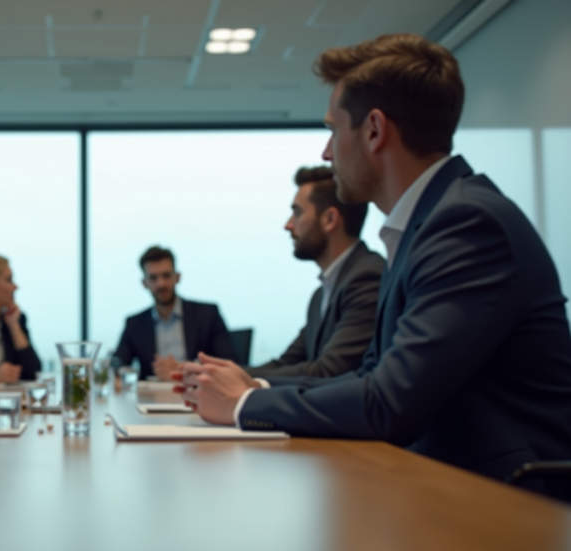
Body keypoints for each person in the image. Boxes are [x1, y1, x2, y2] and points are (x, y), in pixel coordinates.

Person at [177, 34, 571, 499]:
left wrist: (247, 403)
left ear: (373, 130)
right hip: (444, 486)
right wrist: (254, 386)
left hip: (506, 503)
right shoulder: (424, 225)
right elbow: (369, 376)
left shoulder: (465, 223)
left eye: (332, 129)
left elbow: (390, 402)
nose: (327, 153)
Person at [246, 166, 384, 378]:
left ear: (330, 219)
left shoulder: (366, 278)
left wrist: (245, 383)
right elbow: (286, 363)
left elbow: (330, 371)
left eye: (297, 212)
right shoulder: (321, 295)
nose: (288, 225)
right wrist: (215, 374)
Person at [115, 246, 235, 380]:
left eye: (166, 275)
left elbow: (230, 363)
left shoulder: (207, 314)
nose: (161, 284)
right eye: (153, 277)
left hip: (198, 391)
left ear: (177, 277)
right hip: (152, 398)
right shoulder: (134, 324)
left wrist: (184, 368)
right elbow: (118, 363)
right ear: (144, 283)